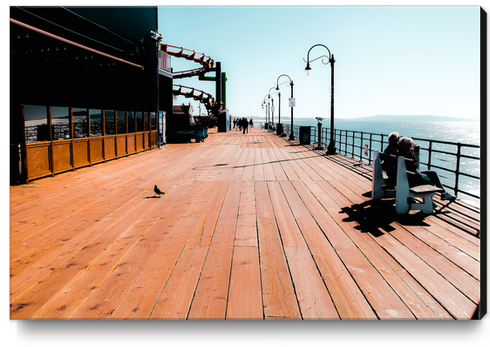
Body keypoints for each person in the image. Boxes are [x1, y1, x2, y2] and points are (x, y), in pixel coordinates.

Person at [398, 137, 456, 201]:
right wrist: (420, 174)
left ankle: (443, 193)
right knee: (430, 179)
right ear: (405, 145)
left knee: (432, 173)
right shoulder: (407, 154)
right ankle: (433, 199)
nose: (411, 145)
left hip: (408, 176)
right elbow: (413, 169)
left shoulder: (401, 153)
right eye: (410, 143)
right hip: (412, 178)